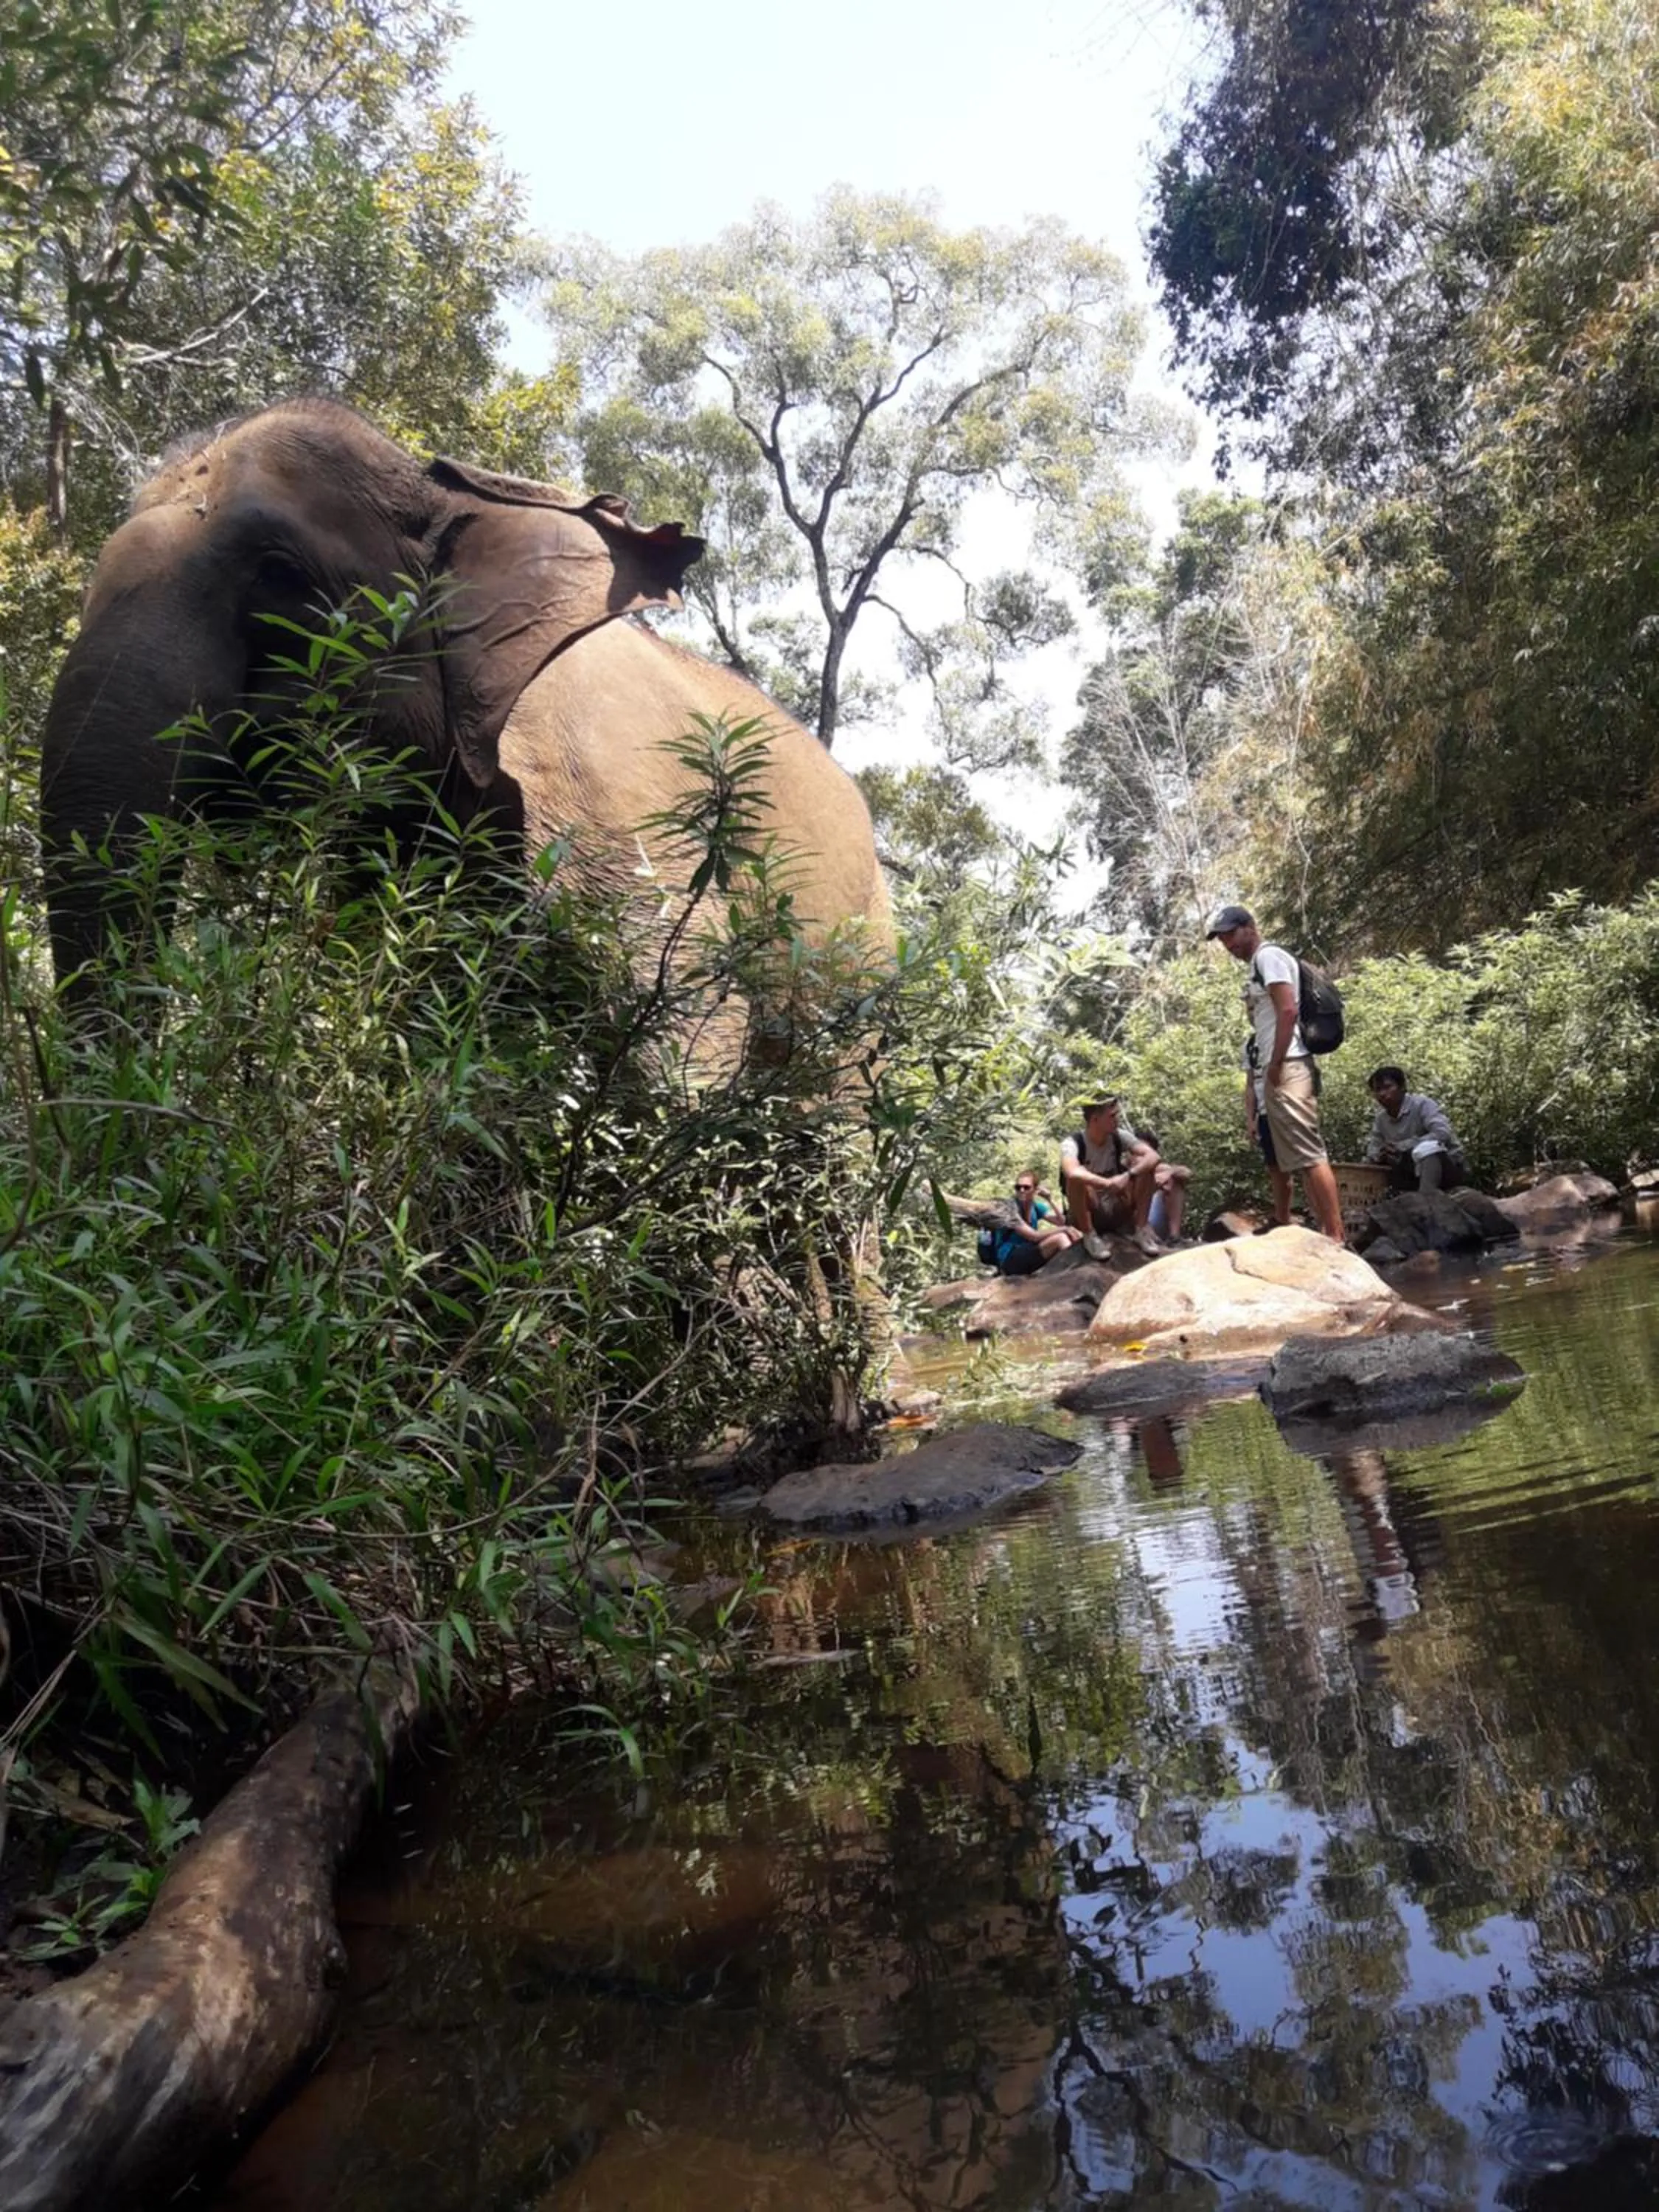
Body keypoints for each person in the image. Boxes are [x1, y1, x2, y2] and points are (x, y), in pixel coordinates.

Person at [1206, 902, 1346, 1243]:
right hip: (1279, 1067)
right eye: (1223, 940)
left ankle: (1336, 1236)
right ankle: (1325, 1233)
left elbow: (1287, 1009)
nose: (1229, 945)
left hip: (1288, 1066)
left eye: (1232, 935)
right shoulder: (1258, 965)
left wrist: (1276, 1063)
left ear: (1250, 927)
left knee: (1310, 1154)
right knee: (1297, 1157)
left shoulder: (1269, 957)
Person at [1060, 1098, 1165, 1254]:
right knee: (1076, 1179)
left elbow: (1153, 1156)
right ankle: (1090, 1236)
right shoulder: (1072, 1143)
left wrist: (1128, 1175)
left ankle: (1141, 1230)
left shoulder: (1119, 1136)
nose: (1117, 1119)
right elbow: (1071, 1171)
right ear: (1095, 1119)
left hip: (1117, 1205)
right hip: (1090, 1210)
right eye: (1112, 1116)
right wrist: (1106, 1183)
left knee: (1146, 1167)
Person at [1364, 1066, 1468, 1193]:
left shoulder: (1422, 1105)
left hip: (1447, 1166)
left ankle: (1427, 1195)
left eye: (1387, 1087)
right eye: (1377, 1090)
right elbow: (1373, 1150)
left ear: (1402, 1087)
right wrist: (1381, 1155)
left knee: (1427, 1149)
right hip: (1411, 1170)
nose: (1382, 1094)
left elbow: (1442, 1133)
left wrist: (1403, 1146)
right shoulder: (1381, 1119)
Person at [991, 1171, 1082, 1275]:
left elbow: (1061, 1222)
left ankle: (1078, 1264)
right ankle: (1077, 1271)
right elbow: (1033, 1236)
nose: (1022, 1190)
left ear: (1035, 1190)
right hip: (1010, 1259)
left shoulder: (1036, 1207)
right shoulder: (1010, 1210)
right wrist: (1065, 1229)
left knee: (1070, 1234)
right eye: (1018, 1187)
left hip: (1027, 1252)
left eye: (1026, 1187)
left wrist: (1049, 1200)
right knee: (1060, 1238)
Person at [1135, 1125, 1193, 1245]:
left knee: (1175, 1181)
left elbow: (1187, 1173)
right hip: (1135, 1224)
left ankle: (1174, 1237)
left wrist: (1169, 1173)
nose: (1138, 1157)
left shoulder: (1159, 1169)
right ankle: (1144, 1233)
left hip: (1157, 1221)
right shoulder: (1123, 1170)